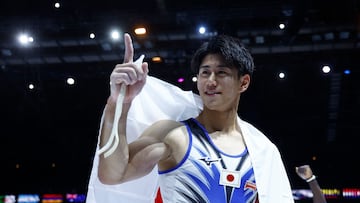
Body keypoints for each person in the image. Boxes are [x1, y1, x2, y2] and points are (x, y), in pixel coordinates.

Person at [95, 33, 294, 203]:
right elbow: (112, 175)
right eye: (205, 73)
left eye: (221, 73)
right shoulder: (172, 135)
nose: (211, 81)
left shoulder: (262, 151)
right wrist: (118, 103)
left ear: (243, 82)